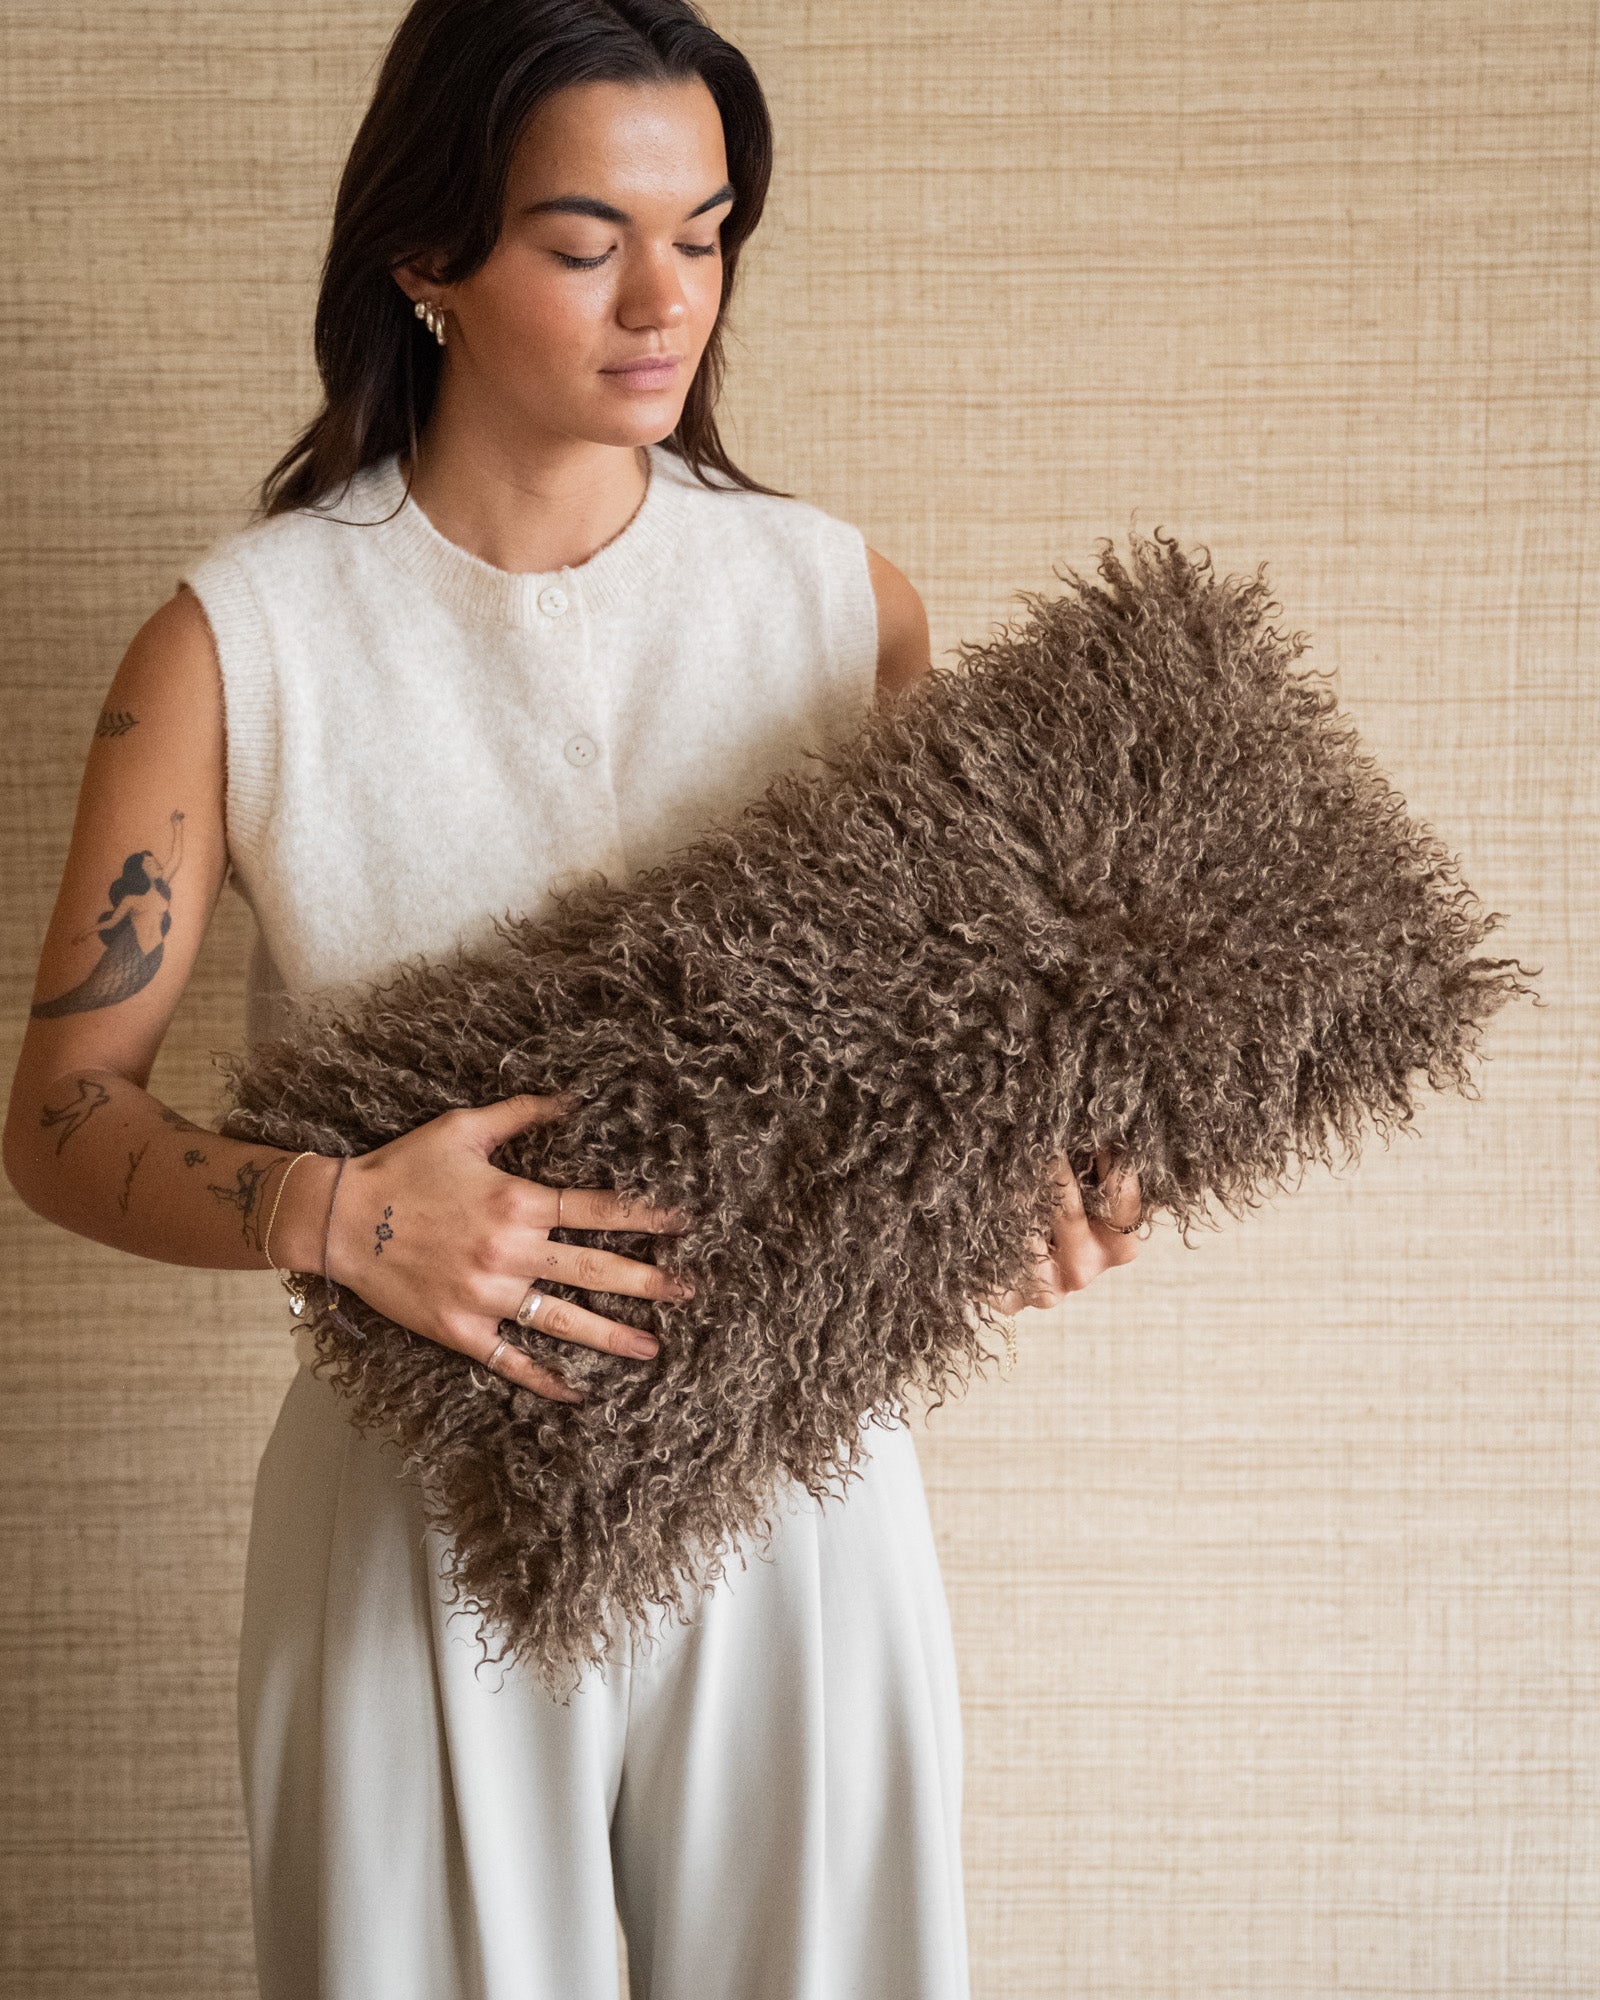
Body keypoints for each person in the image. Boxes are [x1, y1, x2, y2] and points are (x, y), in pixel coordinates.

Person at [2, 3, 1142, 1994]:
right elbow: (59, 1113)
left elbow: (957, 1058)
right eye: (583, 240)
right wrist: (341, 1214)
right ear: (423, 257)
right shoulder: (241, 641)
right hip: (418, 1493)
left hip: (800, 1482)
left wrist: (1035, 1189)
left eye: (704, 235)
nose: (664, 300)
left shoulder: (838, 609)